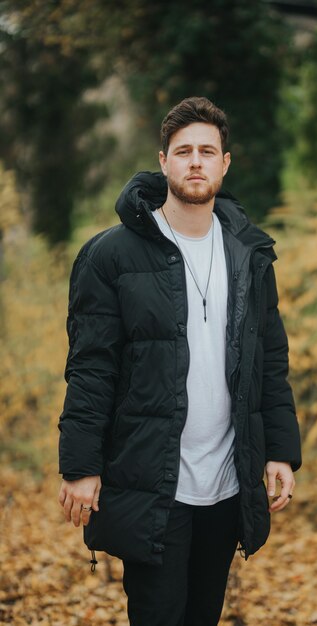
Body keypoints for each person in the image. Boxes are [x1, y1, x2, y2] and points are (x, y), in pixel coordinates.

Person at [58, 96, 301, 626]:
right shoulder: (111, 256)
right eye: (183, 151)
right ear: (163, 161)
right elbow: (91, 367)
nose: (196, 161)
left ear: (224, 163)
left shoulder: (250, 256)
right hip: (152, 481)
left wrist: (279, 451)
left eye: (207, 151)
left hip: (227, 483)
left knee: (203, 616)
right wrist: (80, 466)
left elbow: (269, 361)